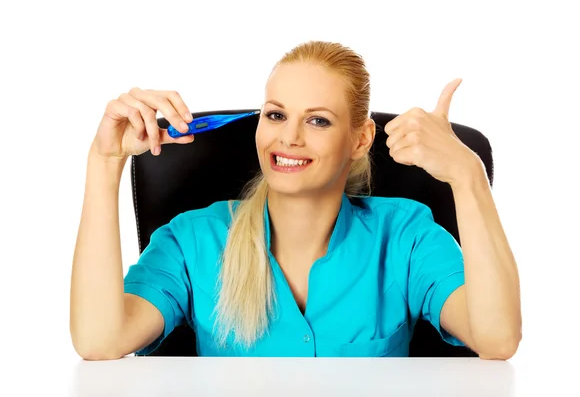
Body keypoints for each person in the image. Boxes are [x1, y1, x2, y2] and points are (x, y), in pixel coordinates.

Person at [70, 40, 522, 360]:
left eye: (318, 121)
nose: (288, 137)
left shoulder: (406, 235)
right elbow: (99, 341)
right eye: (276, 114)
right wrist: (105, 161)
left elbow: (497, 338)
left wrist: (467, 176)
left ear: (361, 139)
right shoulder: (193, 240)